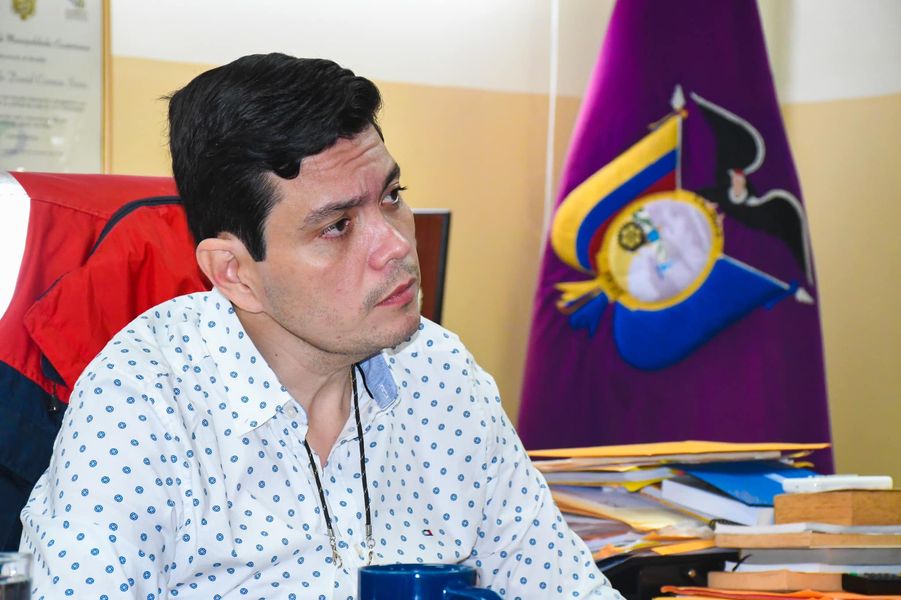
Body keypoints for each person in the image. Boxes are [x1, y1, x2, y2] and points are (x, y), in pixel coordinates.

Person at [20, 53, 622, 599]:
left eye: (391, 196)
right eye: (337, 227)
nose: (395, 245)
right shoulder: (142, 402)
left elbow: (565, 588)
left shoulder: (441, 373)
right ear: (234, 272)